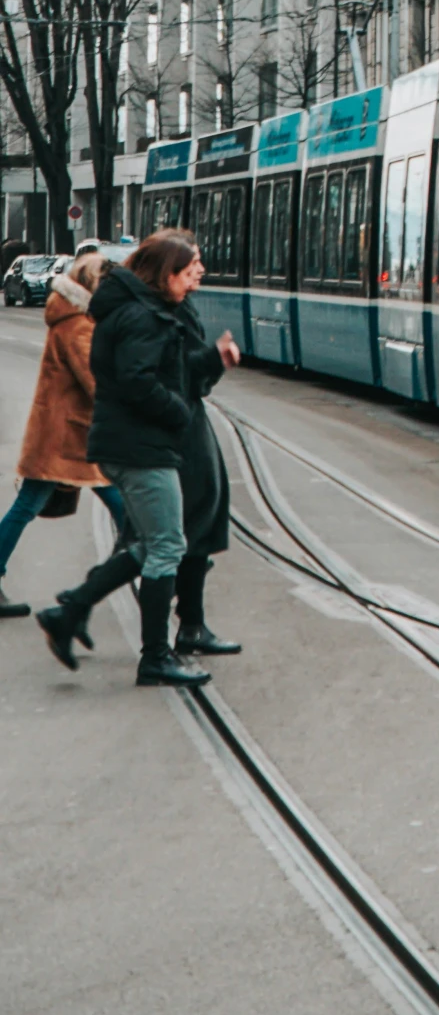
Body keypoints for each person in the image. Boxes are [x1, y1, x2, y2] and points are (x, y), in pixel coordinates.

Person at [41, 230, 238, 688]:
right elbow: (137, 380)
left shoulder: (144, 310)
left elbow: (175, 373)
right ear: (167, 273)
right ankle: (153, 656)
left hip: (138, 443)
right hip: (141, 446)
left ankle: (71, 612)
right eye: (191, 271)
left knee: (155, 542)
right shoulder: (142, 316)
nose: (198, 279)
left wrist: (207, 364)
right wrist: (175, 412)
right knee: (166, 544)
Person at [0, 252, 125, 621]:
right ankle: (150, 571)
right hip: (68, 437)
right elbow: (96, 382)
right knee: (125, 507)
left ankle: (147, 570)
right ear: (94, 286)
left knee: (28, 507)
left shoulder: (77, 319)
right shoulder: (78, 325)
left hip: (68, 435)